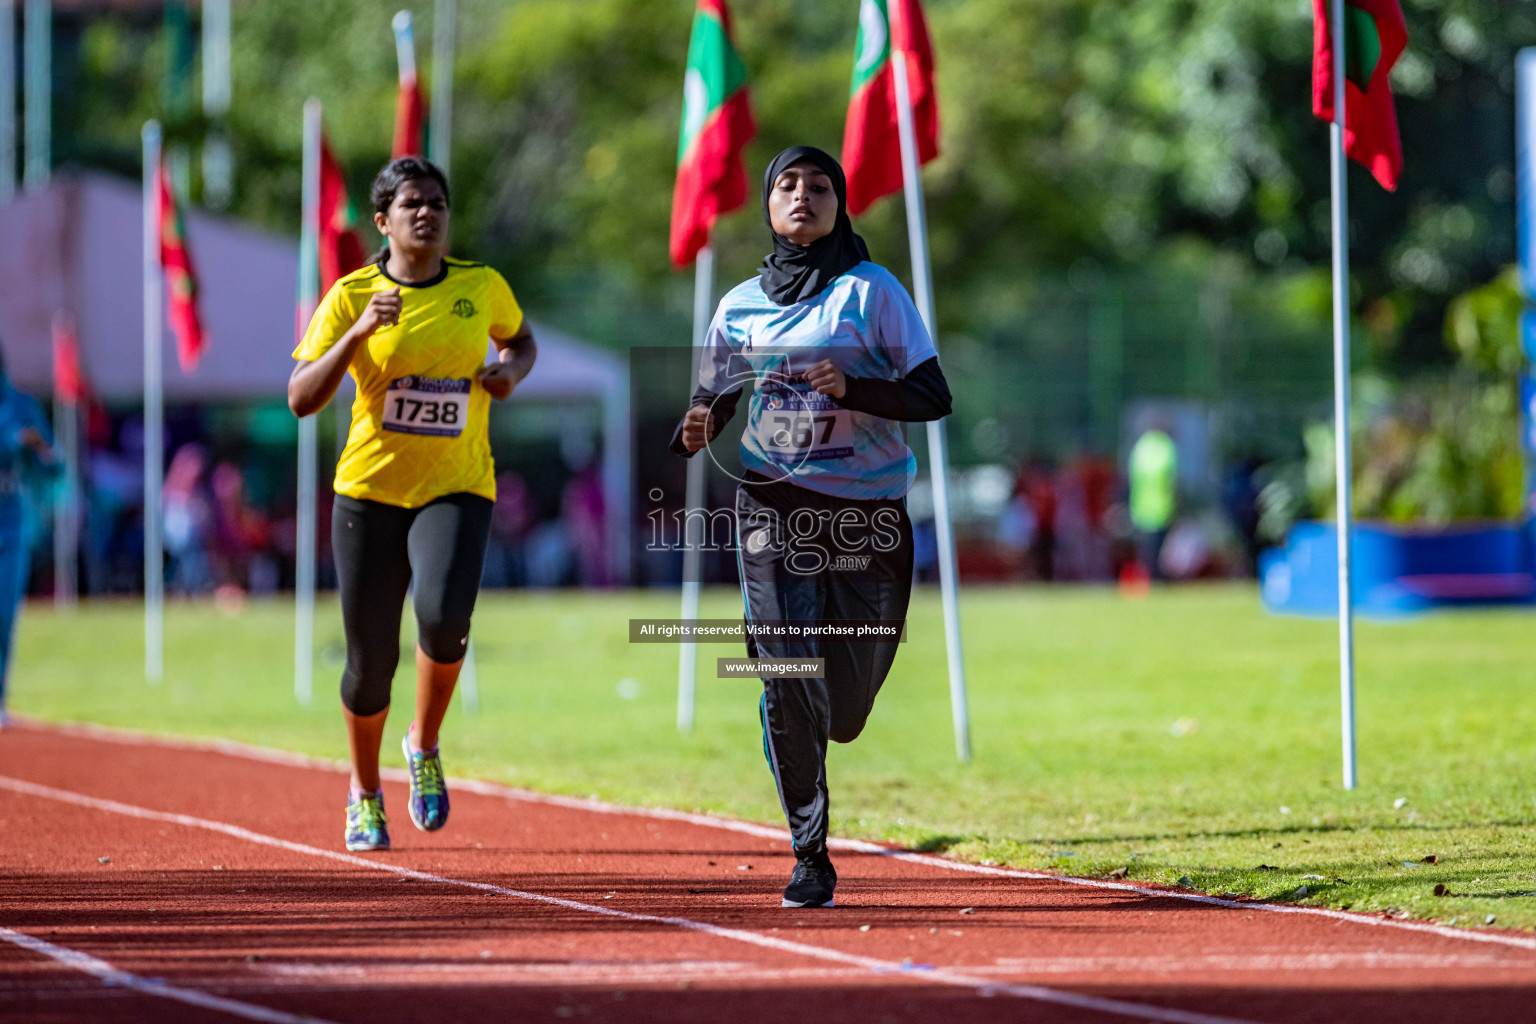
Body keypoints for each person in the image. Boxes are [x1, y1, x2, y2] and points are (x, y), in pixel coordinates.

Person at [671, 146, 952, 908]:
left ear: (840, 204)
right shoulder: (737, 305)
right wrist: (698, 424)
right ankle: (810, 854)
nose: (803, 196)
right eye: (788, 186)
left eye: (819, 186)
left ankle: (802, 719)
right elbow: (715, 394)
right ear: (767, 205)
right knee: (788, 669)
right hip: (772, 502)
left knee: (846, 709)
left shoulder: (873, 293)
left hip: (867, 515)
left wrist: (855, 386)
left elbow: (932, 394)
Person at [289, 157, 536, 851]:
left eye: (437, 203)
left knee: (443, 617)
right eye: (412, 204)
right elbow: (301, 398)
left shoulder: (480, 286)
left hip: (457, 484)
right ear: (383, 221)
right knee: (371, 663)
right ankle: (364, 793)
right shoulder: (352, 293)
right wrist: (357, 330)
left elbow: (521, 341)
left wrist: (508, 372)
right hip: (369, 492)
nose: (427, 213)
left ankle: (423, 745)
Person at [0, 342, 61, 728]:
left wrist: (41, 450)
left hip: (10, 525)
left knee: (5, 614)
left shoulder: (20, 405)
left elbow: (55, 466)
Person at [1129, 423, 1178, 580]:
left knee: (1147, 551)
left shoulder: (1140, 446)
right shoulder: (1166, 446)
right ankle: (1158, 580)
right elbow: (1171, 480)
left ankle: (1149, 579)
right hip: (1163, 507)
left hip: (1141, 507)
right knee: (1161, 551)